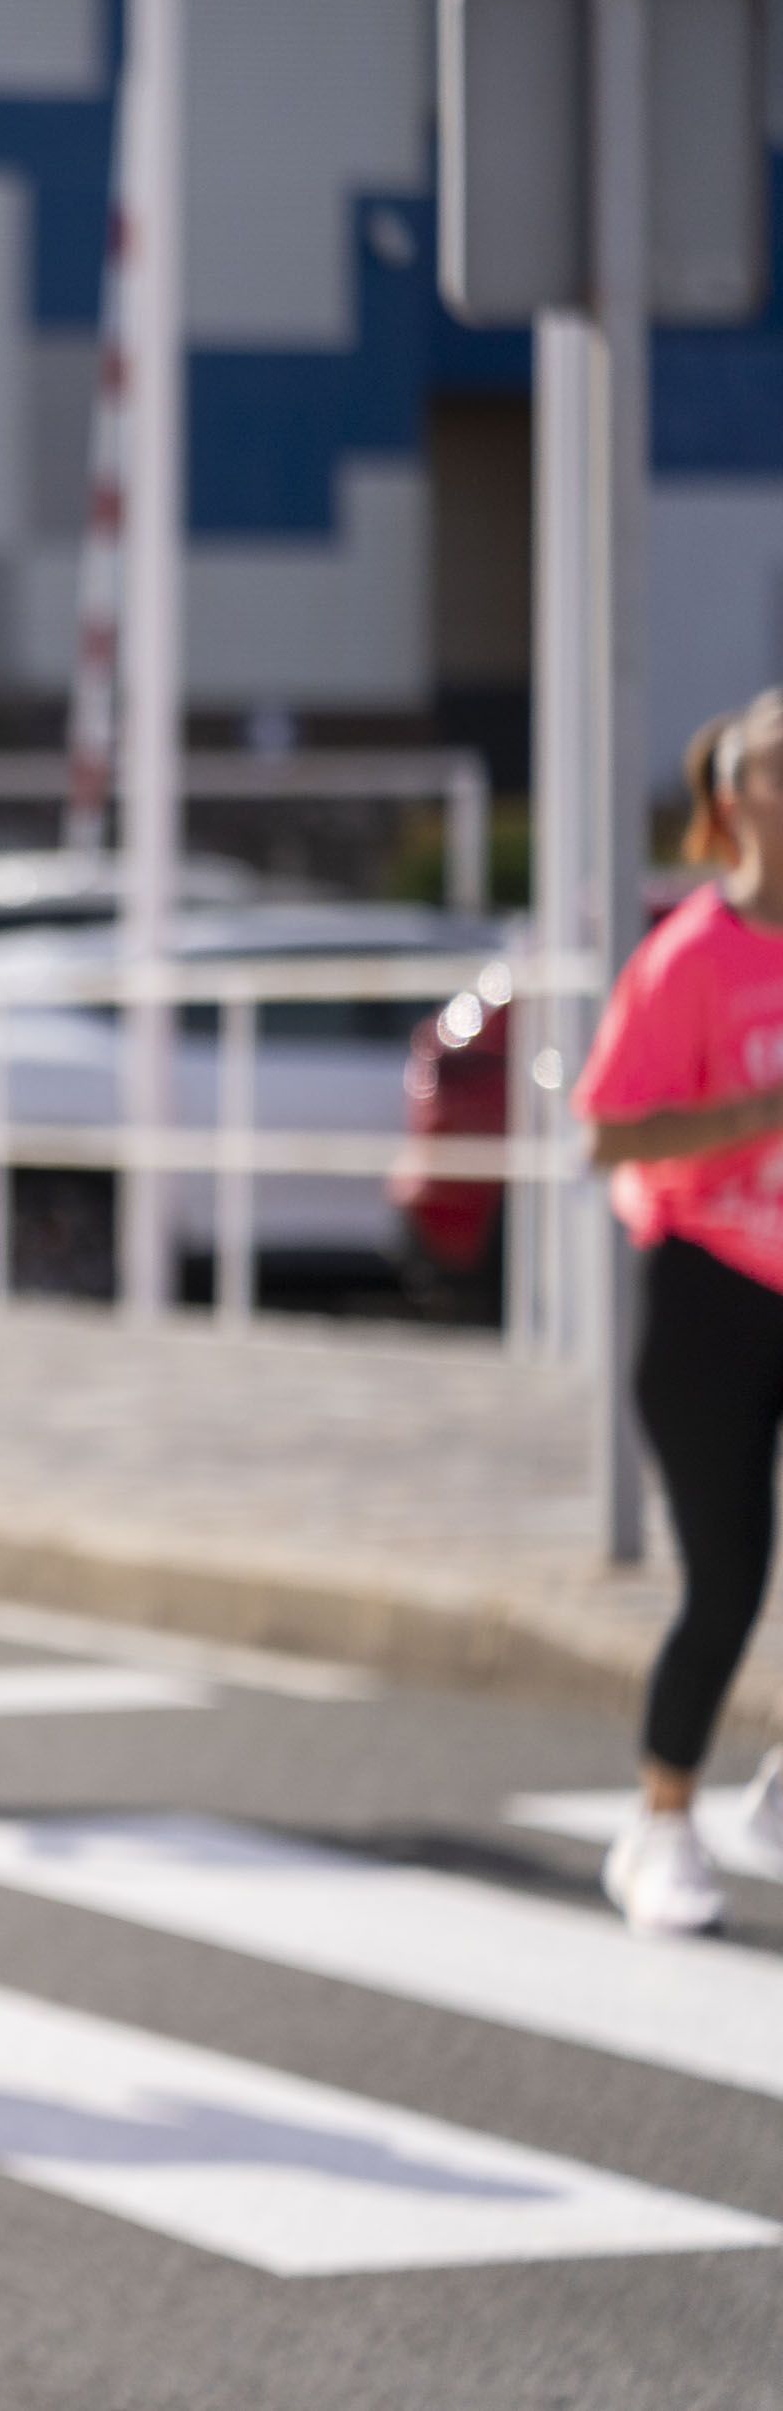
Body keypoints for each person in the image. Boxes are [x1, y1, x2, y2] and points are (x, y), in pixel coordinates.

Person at [575, 684, 783, 1934]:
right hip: (712, 1291)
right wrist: (760, 1115)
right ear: (735, 795)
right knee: (728, 1580)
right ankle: (659, 1824)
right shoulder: (691, 956)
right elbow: (606, 1131)